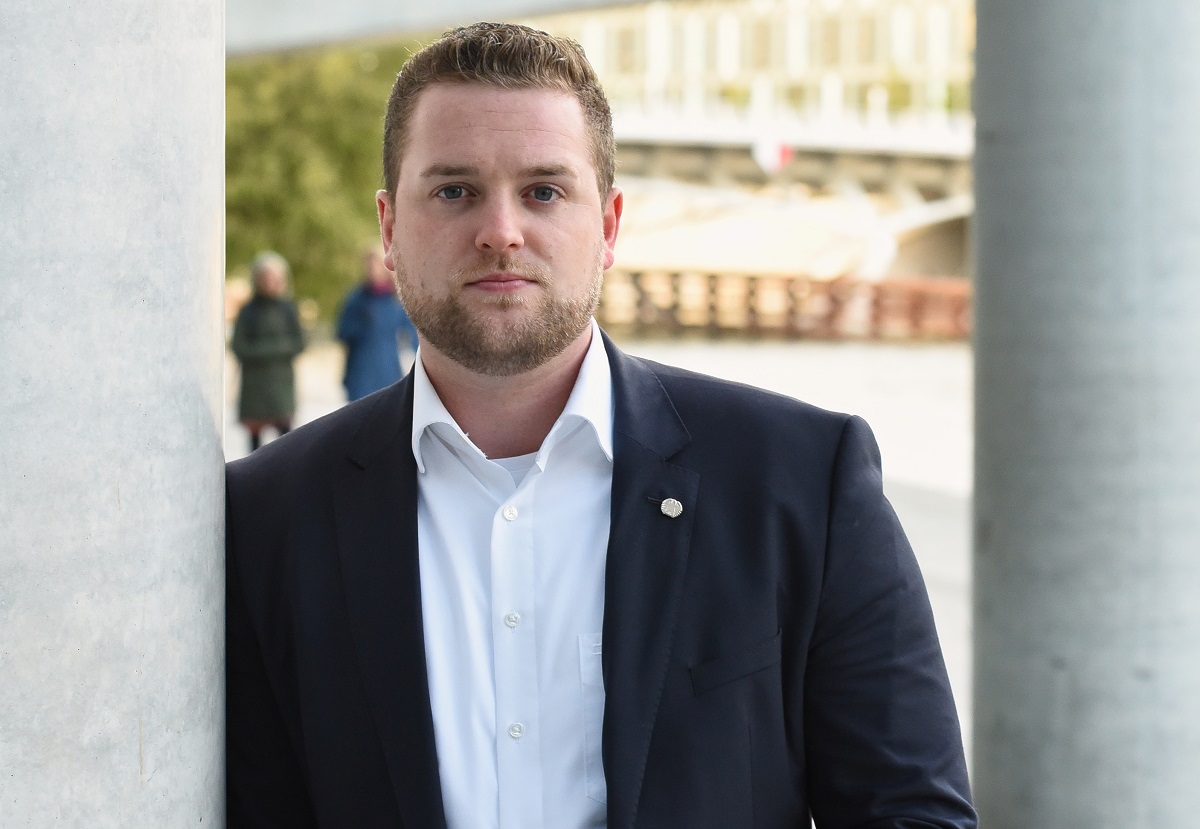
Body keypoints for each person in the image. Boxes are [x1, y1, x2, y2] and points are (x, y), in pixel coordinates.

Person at [225, 22, 976, 829]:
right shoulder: (263, 518)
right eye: (453, 191)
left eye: (544, 191)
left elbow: (911, 814)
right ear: (389, 229)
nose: (501, 231)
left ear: (610, 224)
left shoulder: (802, 481)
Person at [229, 251, 305, 451]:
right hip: (255, 385)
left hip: (281, 385)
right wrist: (274, 349)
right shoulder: (248, 312)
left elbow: (299, 343)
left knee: (286, 441)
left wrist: (270, 350)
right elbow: (239, 346)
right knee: (254, 446)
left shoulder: (288, 309)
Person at [336, 246, 419, 401]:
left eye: (376, 265)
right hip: (361, 371)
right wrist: (362, 323)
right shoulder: (356, 299)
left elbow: (411, 338)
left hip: (391, 371)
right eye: (369, 266)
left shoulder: (398, 300)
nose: (372, 270)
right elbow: (343, 332)